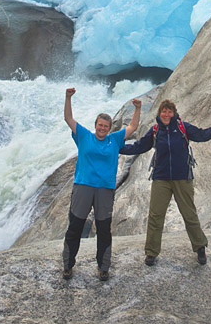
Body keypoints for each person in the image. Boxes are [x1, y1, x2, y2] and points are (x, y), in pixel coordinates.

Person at [121, 99, 211, 266]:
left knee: (189, 214)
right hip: (161, 178)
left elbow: (203, 135)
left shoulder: (183, 127)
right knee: (155, 216)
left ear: (174, 113)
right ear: (159, 113)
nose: (166, 114)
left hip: (182, 177)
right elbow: (140, 146)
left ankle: (200, 247)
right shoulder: (155, 130)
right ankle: (151, 252)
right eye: (164, 111)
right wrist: (119, 148)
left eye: (169, 111)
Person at [62, 87, 141, 282]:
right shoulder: (84, 136)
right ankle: (68, 265)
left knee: (104, 229)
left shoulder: (114, 140)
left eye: (106, 126)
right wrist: (68, 98)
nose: (103, 128)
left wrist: (137, 109)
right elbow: (68, 119)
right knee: (75, 226)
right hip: (83, 186)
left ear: (109, 128)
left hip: (105, 190)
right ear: (95, 125)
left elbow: (133, 127)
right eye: (100, 125)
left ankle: (103, 267)